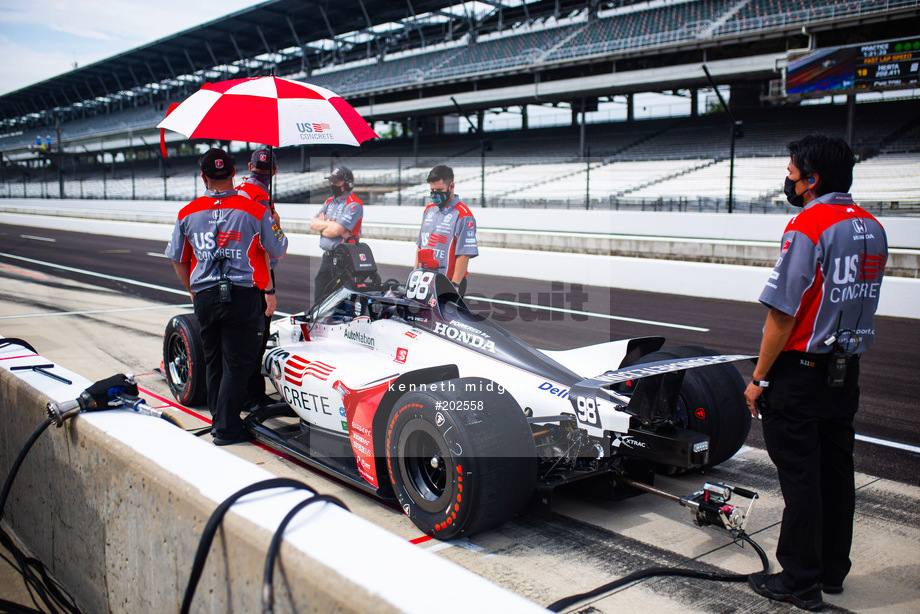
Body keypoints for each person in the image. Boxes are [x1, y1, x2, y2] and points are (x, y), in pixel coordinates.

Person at [745, 134, 888, 611]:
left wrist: (760, 377)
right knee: (835, 473)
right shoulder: (872, 225)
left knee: (801, 479)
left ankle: (799, 581)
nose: (787, 178)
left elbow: (783, 313)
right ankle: (831, 570)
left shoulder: (807, 225)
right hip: (846, 370)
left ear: (812, 179)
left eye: (791, 171)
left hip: (801, 372)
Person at [166, 148, 288, 445]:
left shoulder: (187, 213)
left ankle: (218, 421)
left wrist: (194, 290)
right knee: (238, 365)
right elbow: (278, 250)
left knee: (214, 362)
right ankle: (226, 428)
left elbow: (177, 258)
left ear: (203, 177)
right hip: (242, 296)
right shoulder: (255, 209)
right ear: (234, 173)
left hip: (205, 296)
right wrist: (276, 223)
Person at [236, 148, 282, 412]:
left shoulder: (239, 190)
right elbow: (271, 245)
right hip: (257, 274)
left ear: (249, 166)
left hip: (236, 270)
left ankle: (242, 393)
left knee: (241, 338)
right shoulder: (262, 196)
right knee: (257, 338)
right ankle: (252, 397)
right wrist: (270, 288)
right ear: (274, 171)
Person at [415, 164, 478, 294]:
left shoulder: (463, 215)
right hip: (425, 280)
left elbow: (464, 254)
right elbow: (420, 246)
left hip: (448, 282)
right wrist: (415, 274)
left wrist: (454, 285)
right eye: (432, 190)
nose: (435, 194)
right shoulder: (428, 210)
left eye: (439, 190)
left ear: (451, 186)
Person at [309, 165, 363, 302]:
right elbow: (313, 224)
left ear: (347, 183)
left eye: (336, 182)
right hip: (327, 257)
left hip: (344, 260)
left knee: (339, 302)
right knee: (320, 299)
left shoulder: (354, 204)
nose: (332, 184)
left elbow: (335, 231)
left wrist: (326, 226)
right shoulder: (329, 202)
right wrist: (331, 225)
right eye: (331, 181)